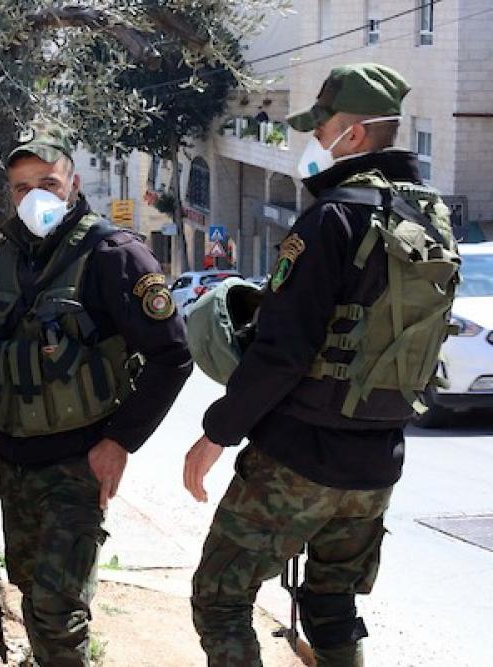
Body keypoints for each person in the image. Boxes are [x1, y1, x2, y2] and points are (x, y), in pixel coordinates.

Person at [184, 64, 460, 666]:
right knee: (332, 604)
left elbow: (284, 350)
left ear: (353, 135)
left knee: (221, 599)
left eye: (322, 128)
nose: (313, 141)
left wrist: (216, 434)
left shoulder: (333, 217)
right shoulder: (432, 218)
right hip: (377, 462)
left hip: (299, 458)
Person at [0, 122, 193, 666]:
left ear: (74, 183)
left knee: (58, 610)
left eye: (48, 183)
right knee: (31, 592)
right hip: (13, 460)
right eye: (21, 188)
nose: (34, 197)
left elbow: (173, 358)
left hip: (76, 462)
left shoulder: (113, 254)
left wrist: (120, 442)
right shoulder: (8, 259)